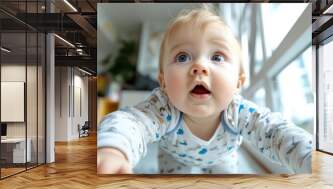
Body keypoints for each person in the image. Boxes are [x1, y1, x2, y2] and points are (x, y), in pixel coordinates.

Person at [97, 7, 312, 174]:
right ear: (162, 81)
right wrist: (114, 149)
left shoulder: (239, 111)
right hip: (174, 158)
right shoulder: (162, 108)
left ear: (238, 82)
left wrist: (310, 157)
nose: (199, 67)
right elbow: (132, 122)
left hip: (222, 158)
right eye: (182, 57)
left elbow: (275, 133)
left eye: (217, 57)